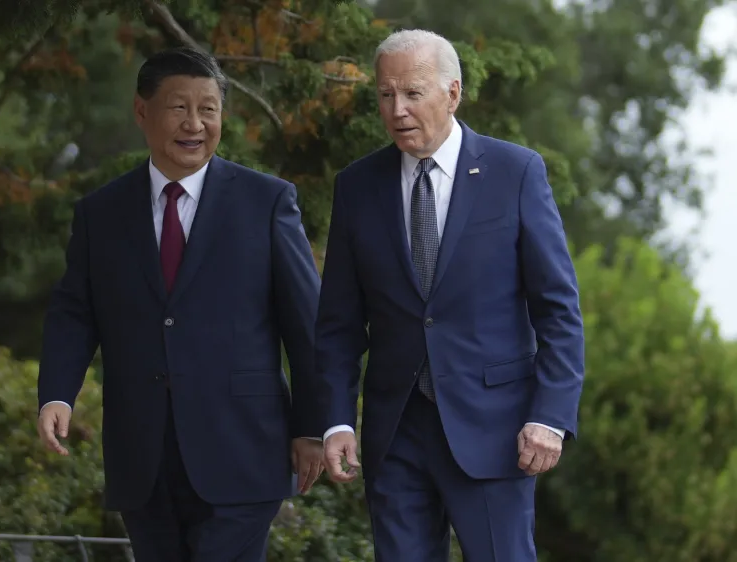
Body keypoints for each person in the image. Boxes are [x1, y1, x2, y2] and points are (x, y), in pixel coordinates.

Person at [35, 47, 325, 562]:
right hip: (142, 458)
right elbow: (74, 313)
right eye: (178, 108)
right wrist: (57, 393)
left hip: (243, 450)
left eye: (208, 109)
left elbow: (306, 326)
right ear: (142, 111)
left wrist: (311, 426)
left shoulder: (267, 202)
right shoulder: (101, 214)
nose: (195, 123)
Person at [314, 29, 585, 561]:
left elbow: (558, 310)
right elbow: (339, 324)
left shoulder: (515, 172)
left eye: (413, 93)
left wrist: (550, 416)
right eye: (386, 95)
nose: (397, 109)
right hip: (396, 436)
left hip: (497, 431)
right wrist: (338, 418)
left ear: (453, 93)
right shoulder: (357, 186)